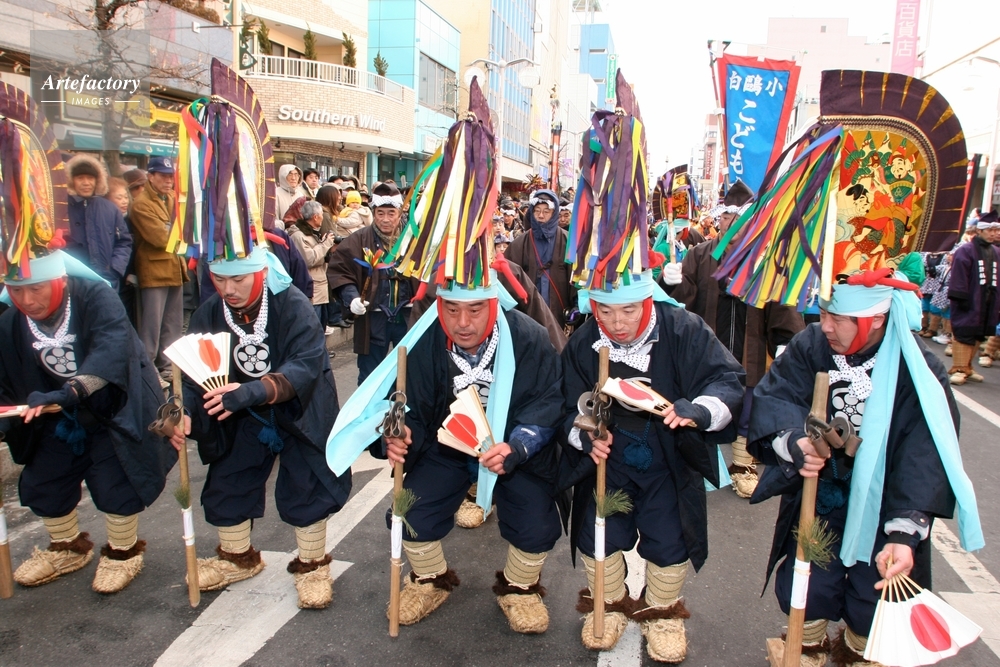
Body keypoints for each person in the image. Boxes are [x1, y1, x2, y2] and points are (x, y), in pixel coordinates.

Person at [327, 78, 563, 633]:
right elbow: (407, 402)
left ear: (493, 303)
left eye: (474, 310)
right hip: (446, 446)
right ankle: (430, 579)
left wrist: (519, 445)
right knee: (406, 510)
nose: (461, 322)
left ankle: (519, 586)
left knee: (536, 519)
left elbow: (548, 402)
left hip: (512, 449)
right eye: (451, 309)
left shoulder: (527, 337)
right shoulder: (427, 337)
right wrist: (398, 435)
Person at [558, 73, 744, 662]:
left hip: (666, 459)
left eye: (627, 312)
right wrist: (581, 435)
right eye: (604, 312)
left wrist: (697, 411)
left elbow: (727, 381)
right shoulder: (584, 341)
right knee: (601, 531)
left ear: (648, 301)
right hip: (608, 461)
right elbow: (562, 401)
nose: (615, 325)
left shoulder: (684, 329)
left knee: (667, 538)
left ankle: (663, 613)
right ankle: (609, 603)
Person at [748, 270, 981, 665]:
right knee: (809, 579)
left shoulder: (916, 366)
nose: (825, 326)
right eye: (823, 314)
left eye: (837, 319)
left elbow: (924, 452)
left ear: (875, 319)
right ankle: (806, 646)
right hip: (822, 490)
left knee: (874, 592)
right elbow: (778, 397)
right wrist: (795, 442)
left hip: (885, 500)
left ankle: (859, 651)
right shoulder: (812, 345)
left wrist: (905, 531)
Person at [171, 246, 351, 608]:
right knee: (229, 478)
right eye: (219, 279)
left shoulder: (293, 305)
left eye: (239, 279)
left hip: (297, 409)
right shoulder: (210, 312)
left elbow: (305, 364)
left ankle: (312, 566)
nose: (228, 289)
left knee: (306, 484)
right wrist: (183, 411)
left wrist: (252, 391)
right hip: (242, 415)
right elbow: (193, 377)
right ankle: (238, 558)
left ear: (262, 272)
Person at [1, 250, 176, 593]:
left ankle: (123, 552)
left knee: (115, 481)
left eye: (36, 288)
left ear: (60, 280)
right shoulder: (9, 321)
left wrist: (72, 391)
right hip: (51, 416)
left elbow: (111, 350)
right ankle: (67, 548)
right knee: (45, 479)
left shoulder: (96, 298)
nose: (27, 300)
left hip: (111, 407)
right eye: (16, 290)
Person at [662, 179, 804, 498]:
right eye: (728, 216)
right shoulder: (699, 255)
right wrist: (670, 283)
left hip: (749, 346)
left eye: (742, 218)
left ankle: (743, 465)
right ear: (719, 219)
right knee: (702, 404)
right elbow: (679, 305)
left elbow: (781, 303)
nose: (733, 223)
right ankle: (696, 466)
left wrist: (786, 341)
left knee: (747, 406)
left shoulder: (766, 260)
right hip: (706, 348)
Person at [327, 182, 419, 384]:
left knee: (411, 373)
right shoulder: (358, 239)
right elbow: (340, 271)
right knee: (370, 377)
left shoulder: (415, 239)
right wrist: (352, 298)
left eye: (391, 213)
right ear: (373, 213)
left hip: (408, 316)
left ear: (400, 213)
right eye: (380, 213)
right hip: (374, 318)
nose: (385, 219)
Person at [129, 156, 188, 387]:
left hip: (174, 268)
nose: (168, 181)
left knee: (173, 322)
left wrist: (176, 231)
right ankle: (148, 366)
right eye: (163, 176)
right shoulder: (141, 204)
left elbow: (182, 228)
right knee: (151, 324)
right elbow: (160, 237)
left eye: (170, 177)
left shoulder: (172, 198)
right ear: (150, 177)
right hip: (154, 271)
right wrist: (178, 232)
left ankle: (168, 365)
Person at [504, 190, 575, 329]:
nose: (541, 215)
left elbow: (576, 277)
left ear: (554, 213)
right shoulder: (519, 244)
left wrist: (576, 305)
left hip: (559, 310)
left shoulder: (568, 241)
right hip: (529, 311)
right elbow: (508, 278)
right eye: (537, 211)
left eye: (546, 211)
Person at [64, 154, 132, 292]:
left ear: (98, 180)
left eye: (90, 178)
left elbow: (124, 241)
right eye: (80, 178)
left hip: (106, 279)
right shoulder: (61, 207)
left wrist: (115, 269)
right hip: (70, 281)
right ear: (71, 180)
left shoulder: (110, 209)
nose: (86, 183)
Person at [947, 211, 1000, 384]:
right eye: (989, 230)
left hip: (988, 301)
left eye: (995, 230)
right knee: (964, 331)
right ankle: (959, 368)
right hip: (969, 300)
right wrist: (961, 297)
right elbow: (959, 276)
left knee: (979, 332)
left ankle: (968, 367)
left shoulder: (996, 252)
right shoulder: (966, 250)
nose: (993, 233)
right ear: (979, 230)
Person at [289, 200, 340, 334]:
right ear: (316, 217)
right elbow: (309, 260)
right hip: (312, 290)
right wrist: (326, 243)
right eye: (322, 215)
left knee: (320, 327)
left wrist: (330, 249)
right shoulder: (299, 236)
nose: (323, 217)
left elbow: (319, 255)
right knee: (312, 329)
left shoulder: (312, 233)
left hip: (320, 288)